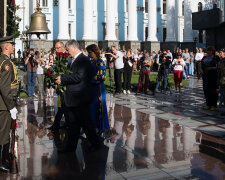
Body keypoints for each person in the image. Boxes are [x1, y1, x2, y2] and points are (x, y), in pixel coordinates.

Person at [55, 40, 102, 151]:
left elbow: (78, 77)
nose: (67, 51)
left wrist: (63, 79)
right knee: (73, 126)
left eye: (68, 49)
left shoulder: (83, 60)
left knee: (86, 125)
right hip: (74, 99)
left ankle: (97, 145)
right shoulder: (75, 60)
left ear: (75, 47)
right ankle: (70, 148)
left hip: (80, 98)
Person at [0, 35, 18, 172]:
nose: (13, 46)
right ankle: (2, 162)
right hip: (4, 105)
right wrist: (11, 107)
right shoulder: (6, 63)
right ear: (6, 47)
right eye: (12, 44)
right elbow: (5, 88)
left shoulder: (2, 60)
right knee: (3, 134)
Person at [86, 44, 109, 135]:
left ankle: (102, 127)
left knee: (100, 107)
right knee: (92, 108)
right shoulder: (92, 62)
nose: (89, 55)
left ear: (95, 52)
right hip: (92, 88)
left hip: (99, 88)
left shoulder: (100, 62)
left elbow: (101, 77)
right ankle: (94, 126)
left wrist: (89, 80)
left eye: (90, 53)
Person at [48, 41, 70, 132]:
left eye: (57, 48)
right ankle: (58, 124)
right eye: (55, 48)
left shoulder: (67, 57)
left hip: (66, 85)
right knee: (62, 106)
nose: (56, 50)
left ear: (62, 47)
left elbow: (68, 71)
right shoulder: (59, 57)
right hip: (60, 85)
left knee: (64, 106)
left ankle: (64, 124)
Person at [200, 46, 219, 111]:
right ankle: (208, 104)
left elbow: (218, 67)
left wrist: (211, 68)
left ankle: (213, 105)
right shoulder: (204, 57)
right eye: (208, 50)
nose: (208, 52)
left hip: (213, 76)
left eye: (210, 51)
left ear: (212, 51)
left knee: (213, 91)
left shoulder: (216, 58)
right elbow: (201, 65)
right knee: (206, 90)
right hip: (205, 76)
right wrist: (201, 70)